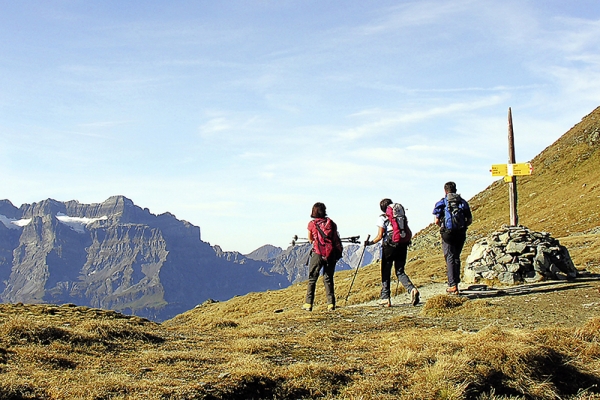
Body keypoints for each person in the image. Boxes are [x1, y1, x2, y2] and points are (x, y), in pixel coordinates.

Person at [365, 198, 419, 307]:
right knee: (400, 271)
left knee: (386, 271)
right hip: (402, 244)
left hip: (389, 246)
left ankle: (385, 298)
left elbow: (380, 236)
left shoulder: (382, 218)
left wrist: (370, 243)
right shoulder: (401, 217)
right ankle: (412, 289)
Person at [432, 181, 473, 295]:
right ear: (455, 189)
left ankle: (452, 285)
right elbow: (469, 220)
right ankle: (456, 282)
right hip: (460, 233)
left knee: (449, 256)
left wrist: (443, 227)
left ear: (445, 191)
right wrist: (462, 227)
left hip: (447, 233)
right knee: (456, 256)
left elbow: (436, 221)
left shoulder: (443, 202)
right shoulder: (462, 202)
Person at [303, 202, 343, 312]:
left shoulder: (311, 224)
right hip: (330, 254)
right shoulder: (331, 224)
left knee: (312, 279)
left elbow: (310, 239)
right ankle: (331, 304)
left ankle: (308, 304)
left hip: (318, 253)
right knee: (328, 278)